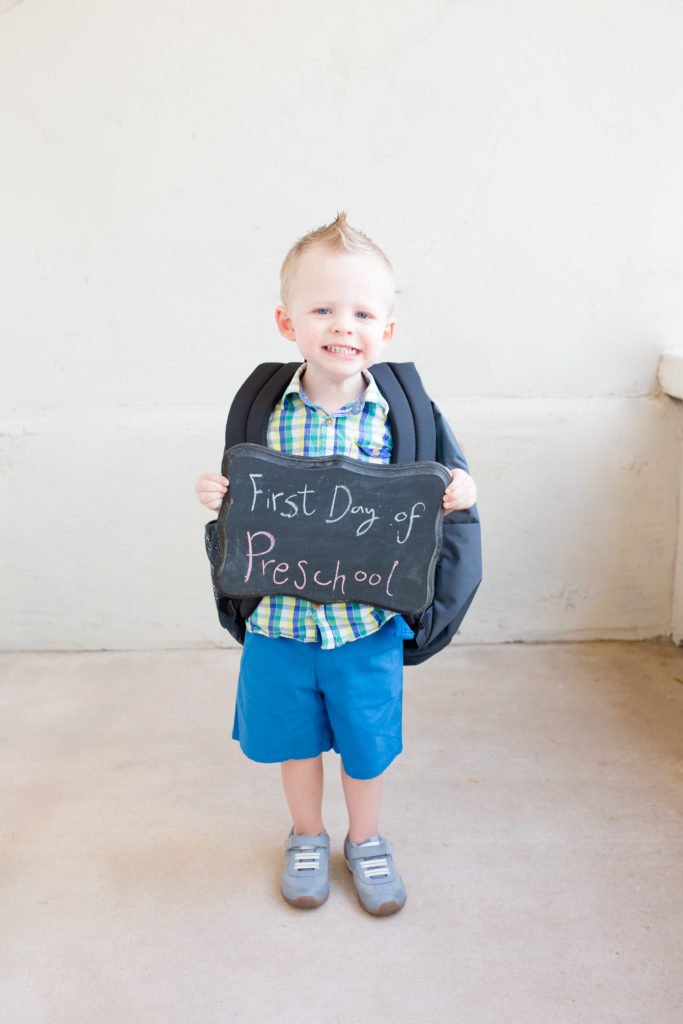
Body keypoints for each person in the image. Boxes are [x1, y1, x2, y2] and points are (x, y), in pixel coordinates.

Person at [195, 213, 477, 916]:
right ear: (287, 322)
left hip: (366, 622)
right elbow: (244, 497)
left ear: (385, 330)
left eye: (360, 311)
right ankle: (307, 836)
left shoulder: (399, 415)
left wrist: (460, 491)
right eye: (321, 308)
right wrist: (217, 495)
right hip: (281, 621)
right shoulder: (264, 409)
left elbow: (438, 488)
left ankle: (367, 840)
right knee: (295, 741)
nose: (341, 324)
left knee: (365, 743)